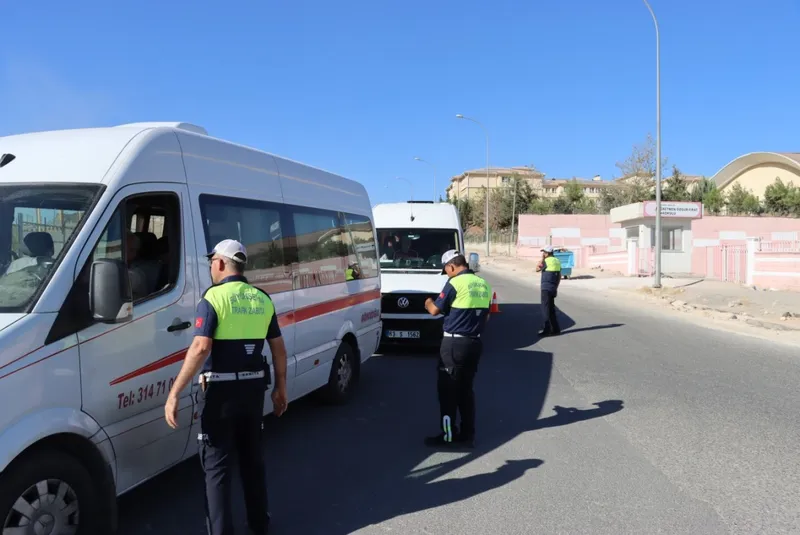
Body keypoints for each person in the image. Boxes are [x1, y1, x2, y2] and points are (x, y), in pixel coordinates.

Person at [165, 239, 289, 535]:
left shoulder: (213, 298)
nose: (211, 267)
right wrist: (280, 388)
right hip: (253, 392)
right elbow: (278, 349)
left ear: (220, 263)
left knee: (217, 469)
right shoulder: (262, 298)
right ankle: (260, 525)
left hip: (220, 395)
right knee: (252, 462)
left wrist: (174, 392)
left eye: (212, 262)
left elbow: (200, 347)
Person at [423, 249, 492, 448]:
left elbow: (435, 310)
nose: (447, 274)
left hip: (453, 345)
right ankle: (468, 434)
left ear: (451, 266)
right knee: (466, 391)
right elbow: (486, 316)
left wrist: (428, 302)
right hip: (474, 343)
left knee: (447, 391)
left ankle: (447, 435)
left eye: (447, 271)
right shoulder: (483, 284)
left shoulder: (455, 283)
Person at [536, 245, 562, 336]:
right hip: (553, 287)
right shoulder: (557, 261)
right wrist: (556, 288)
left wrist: (542, 259)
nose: (543, 254)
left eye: (544, 252)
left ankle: (546, 329)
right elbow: (559, 276)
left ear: (547, 253)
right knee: (551, 309)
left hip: (545, 288)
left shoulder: (546, 261)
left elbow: (537, 269)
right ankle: (556, 329)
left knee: (545, 309)